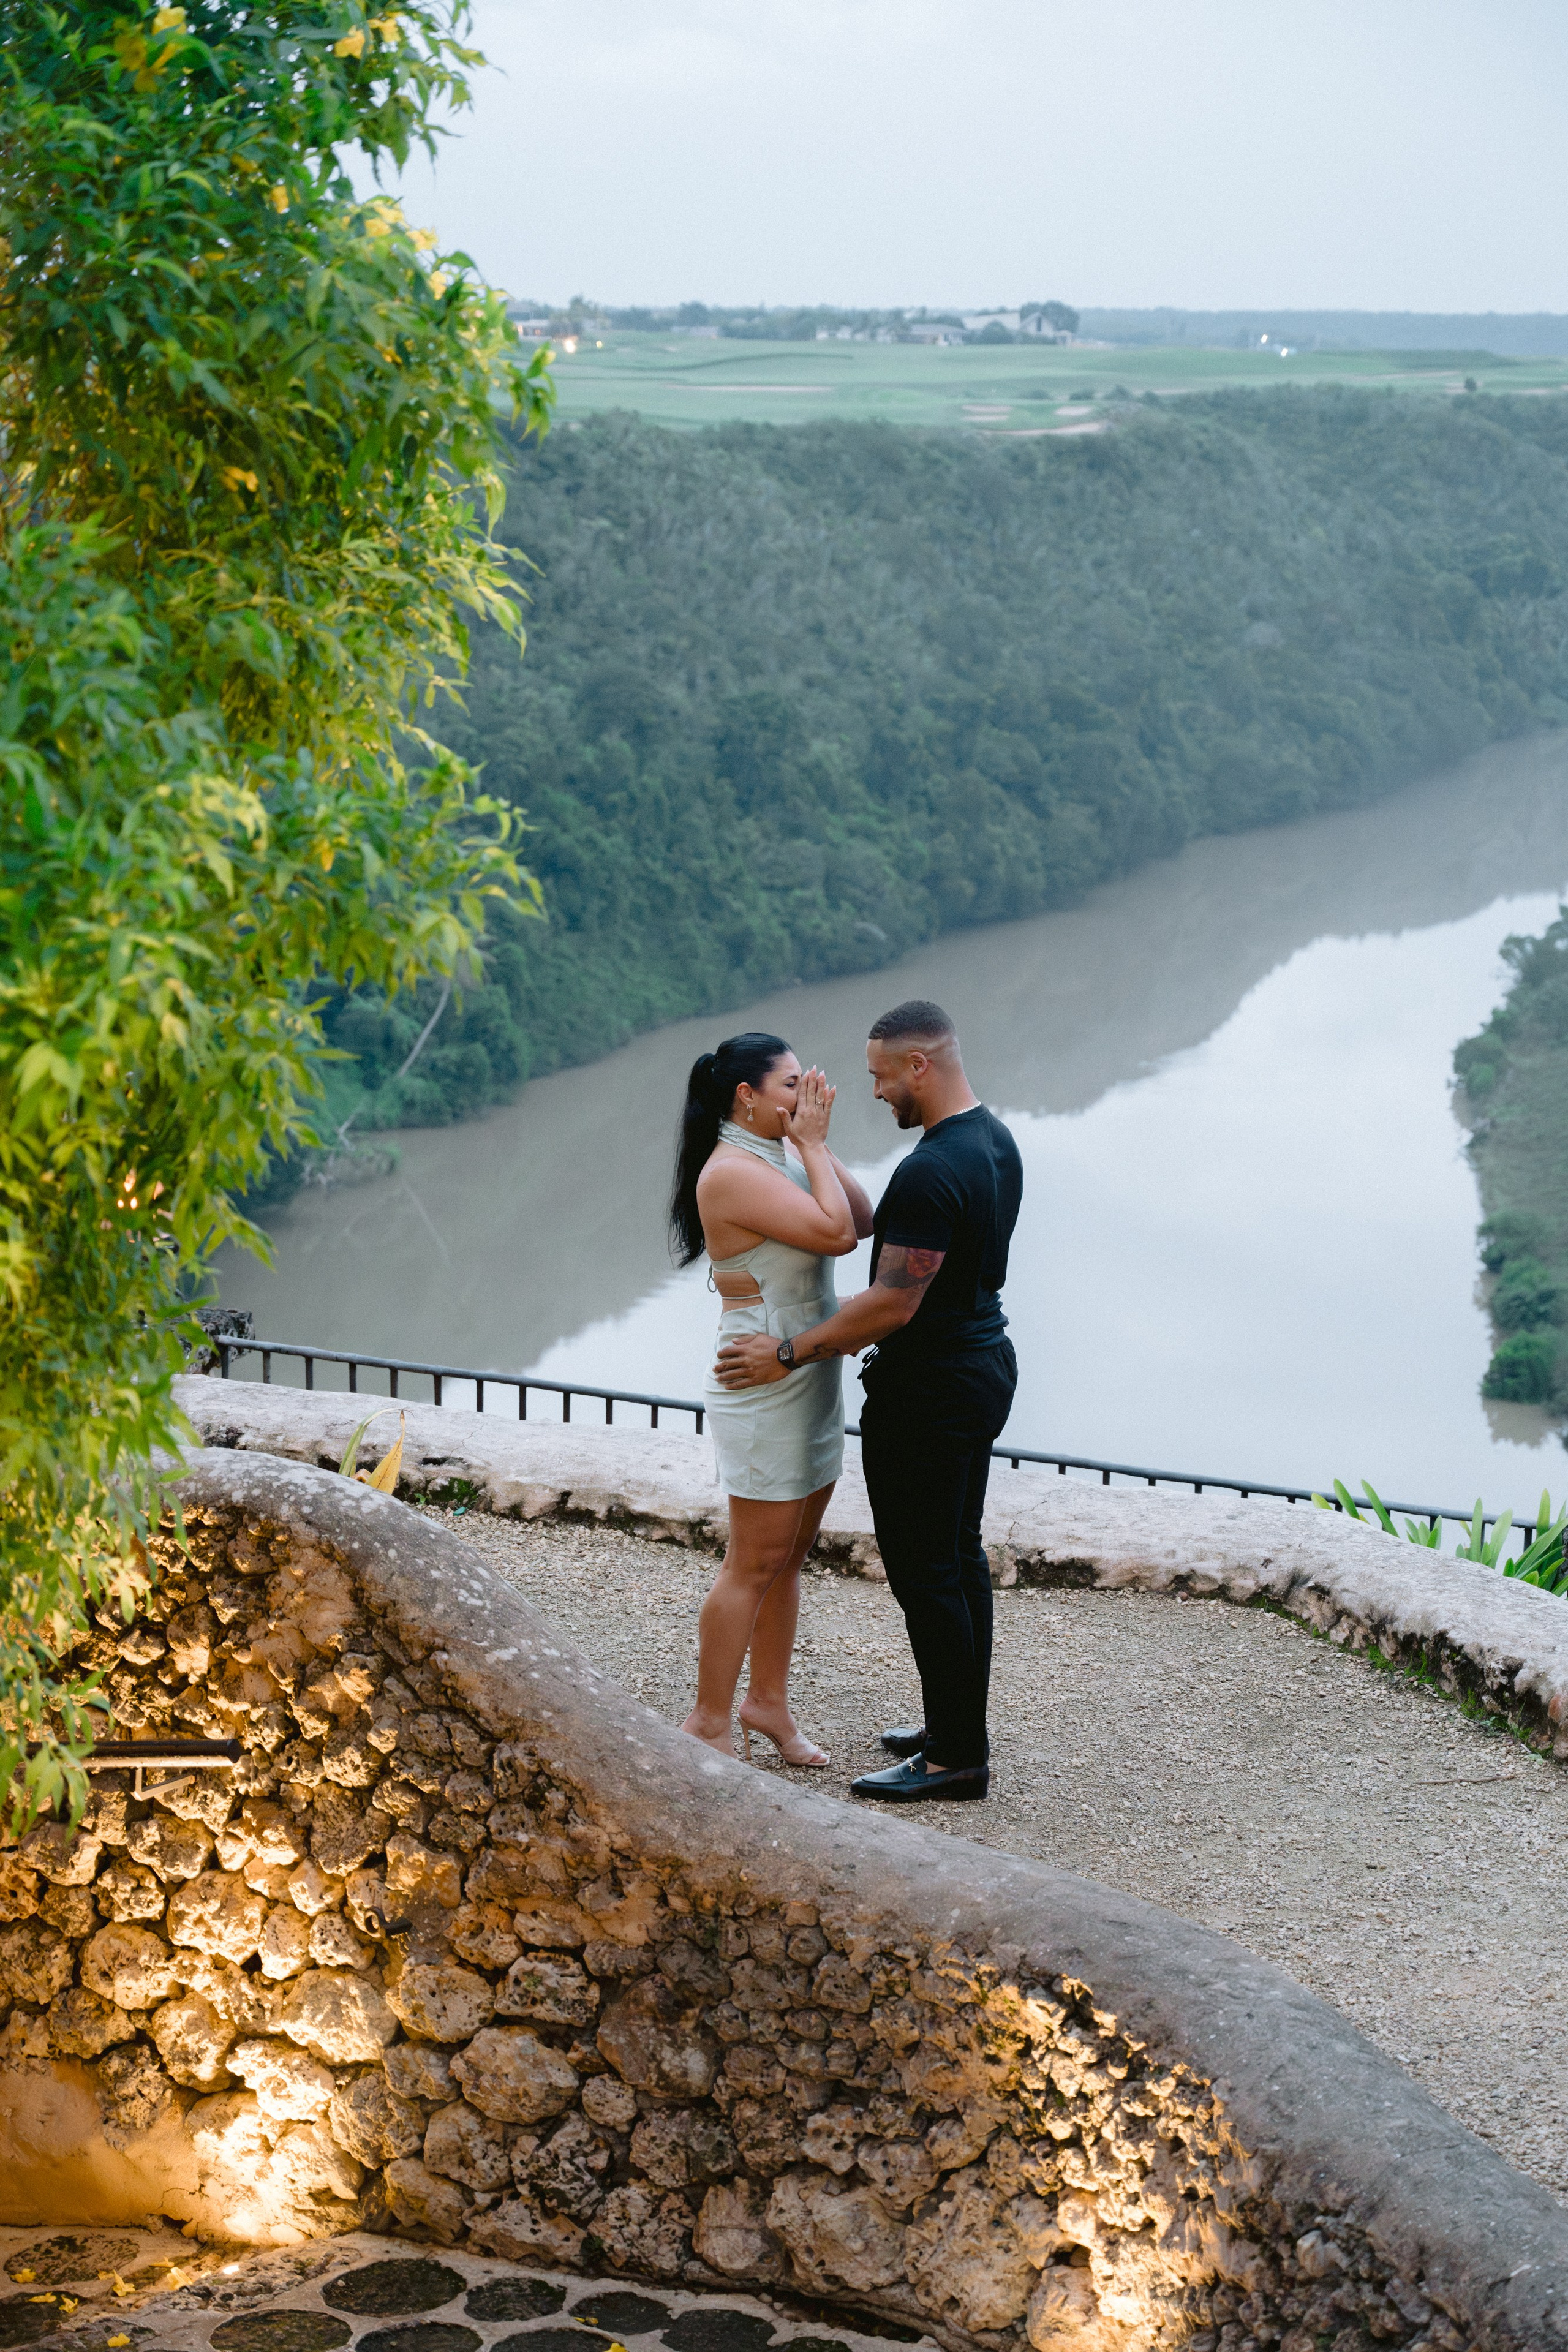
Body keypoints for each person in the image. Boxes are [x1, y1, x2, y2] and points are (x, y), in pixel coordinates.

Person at [714, 1000, 1022, 1802]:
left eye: (883, 1078)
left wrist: (789, 1351)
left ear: (919, 1065)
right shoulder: (994, 1142)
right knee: (959, 1558)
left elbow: (891, 1304)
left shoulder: (927, 1171)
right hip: (985, 1366)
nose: (878, 1093)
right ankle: (956, 1726)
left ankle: (956, 1757)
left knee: (927, 1573)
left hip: (930, 1391)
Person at [670, 1032, 875, 1767]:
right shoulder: (729, 1173)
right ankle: (708, 1721)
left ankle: (768, 1705)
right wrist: (811, 1148)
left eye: (805, 1083)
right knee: (752, 1561)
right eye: (790, 1085)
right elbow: (837, 1236)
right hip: (760, 1381)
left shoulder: (778, 1150)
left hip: (807, 1372)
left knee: (788, 1559)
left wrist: (815, 1141)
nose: (802, 1096)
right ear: (744, 1097)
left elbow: (866, 1212)